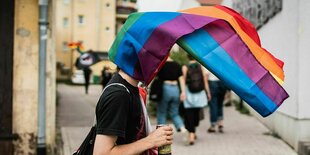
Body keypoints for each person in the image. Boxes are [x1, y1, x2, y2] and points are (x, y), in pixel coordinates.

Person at [93, 69, 173, 155]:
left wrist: (155, 138)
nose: (158, 66)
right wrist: (150, 141)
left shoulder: (132, 88)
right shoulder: (119, 95)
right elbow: (102, 153)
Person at [180, 56, 211, 145]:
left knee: (189, 113)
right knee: (196, 113)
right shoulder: (201, 66)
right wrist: (208, 93)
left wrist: (182, 92)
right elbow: (205, 81)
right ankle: (193, 133)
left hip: (188, 93)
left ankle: (191, 134)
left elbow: (183, 80)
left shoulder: (185, 67)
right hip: (200, 94)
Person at [156, 56, 187, 133]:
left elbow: (155, 77)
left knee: (162, 112)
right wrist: (183, 92)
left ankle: (161, 131)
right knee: (174, 112)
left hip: (165, 88)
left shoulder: (161, 65)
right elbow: (181, 79)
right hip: (175, 89)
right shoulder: (176, 64)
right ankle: (181, 127)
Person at [205, 68, 227, 133]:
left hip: (212, 83)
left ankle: (213, 126)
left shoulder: (207, 62)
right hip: (222, 83)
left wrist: (208, 92)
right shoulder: (219, 61)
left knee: (213, 105)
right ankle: (220, 123)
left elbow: (205, 78)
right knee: (220, 104)